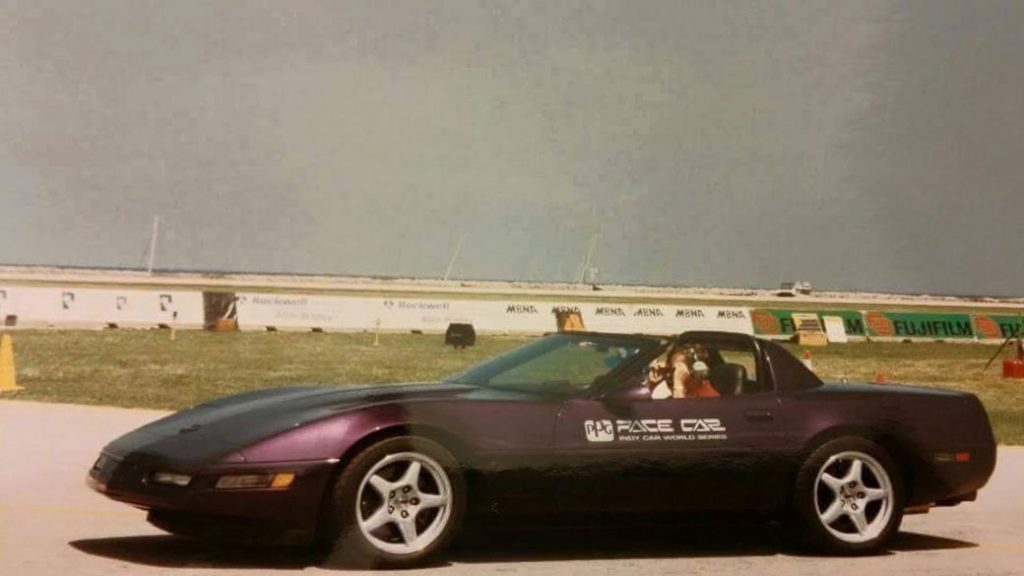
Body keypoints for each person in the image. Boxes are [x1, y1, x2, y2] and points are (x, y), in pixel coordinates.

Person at [646, 344, 719, 399]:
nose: (671, 375)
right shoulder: (677, 392)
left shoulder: (709, 396)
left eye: (676, 370)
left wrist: (679, 384)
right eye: (670, 369)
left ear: (696, 371)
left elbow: (680, 414)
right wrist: (652, 385)